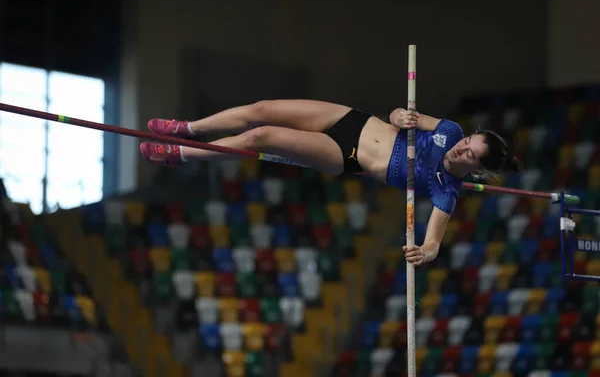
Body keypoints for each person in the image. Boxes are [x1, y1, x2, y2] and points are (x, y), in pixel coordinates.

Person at [140, 100, 521, 266]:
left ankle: (181, 154)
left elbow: (434, 242)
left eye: (470, 154)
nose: (461, 149)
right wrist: (401, 115)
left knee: (262, 137)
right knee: (262, 110)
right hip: (354, 120)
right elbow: (398, 114)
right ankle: (188, 129)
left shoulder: (446, 190)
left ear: (476, 170)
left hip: (346, 154)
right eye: (468, 142)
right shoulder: (449, 130)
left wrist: (426, 252)